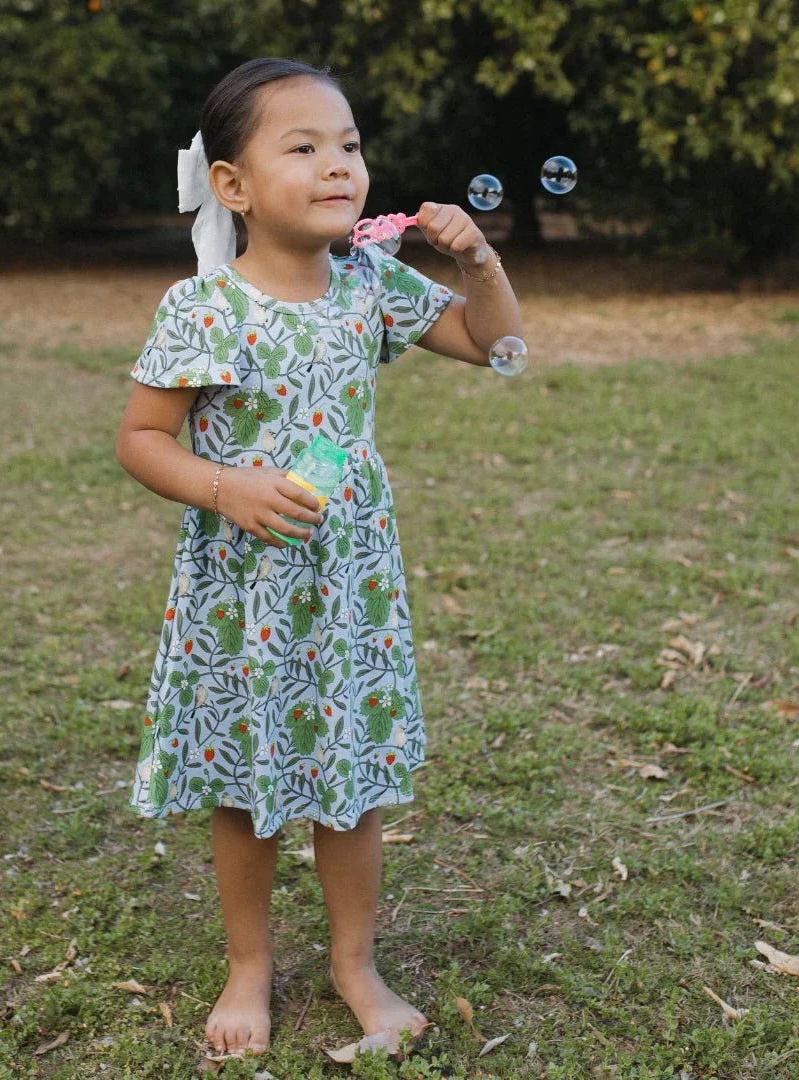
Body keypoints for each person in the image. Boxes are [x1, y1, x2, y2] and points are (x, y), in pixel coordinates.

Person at [115, 57, 522, 1060]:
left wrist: (481, 265)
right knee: (248, 790)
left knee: (352, 783)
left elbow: (498, 347)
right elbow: (140, 438)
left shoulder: (371, 282)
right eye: (303, 147)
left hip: (348, 589)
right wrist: (227, 487)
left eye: (348, 144)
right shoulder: (205, 306)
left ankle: (354, 963)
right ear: (234, 185)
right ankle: (248, 965)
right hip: (243, 594)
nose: (338, 164)